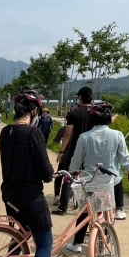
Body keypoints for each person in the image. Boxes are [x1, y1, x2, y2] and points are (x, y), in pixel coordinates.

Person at [0, 86, 61, 257]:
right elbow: (45, 172)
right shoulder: (33, 133)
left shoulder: (5, 132)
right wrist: (51, 173)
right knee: (44, 243)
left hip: (9, 193)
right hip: (30, 195)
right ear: (34, 111)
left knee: (20, 233)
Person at [65, 103, 129, 254]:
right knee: (117, 178)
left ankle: (77, 243)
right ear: (109, 119)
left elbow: (76, 160)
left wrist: (70, 173)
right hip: (110, 182)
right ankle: (120, 209)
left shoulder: (84, 137)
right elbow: (124, 158)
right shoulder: (117, 135)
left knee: (86, 211)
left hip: (91, 181)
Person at [52, 86, 94, 216]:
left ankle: (63, 207)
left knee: (69, 176)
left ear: (80, 97)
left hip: (76, 149)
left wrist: (62, 151)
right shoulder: (95, 112)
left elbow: (67, 133)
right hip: (92, 150)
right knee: (91, 177)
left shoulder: (74, 113)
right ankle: (90, 207)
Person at [51, 122, 67, 206]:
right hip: (77, 156)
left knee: (59, 175)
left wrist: (54, 139)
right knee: (74, 176)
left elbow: (56, 139)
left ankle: (57, 195)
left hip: (64, 155)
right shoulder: (81, 129)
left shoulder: (64, 129)